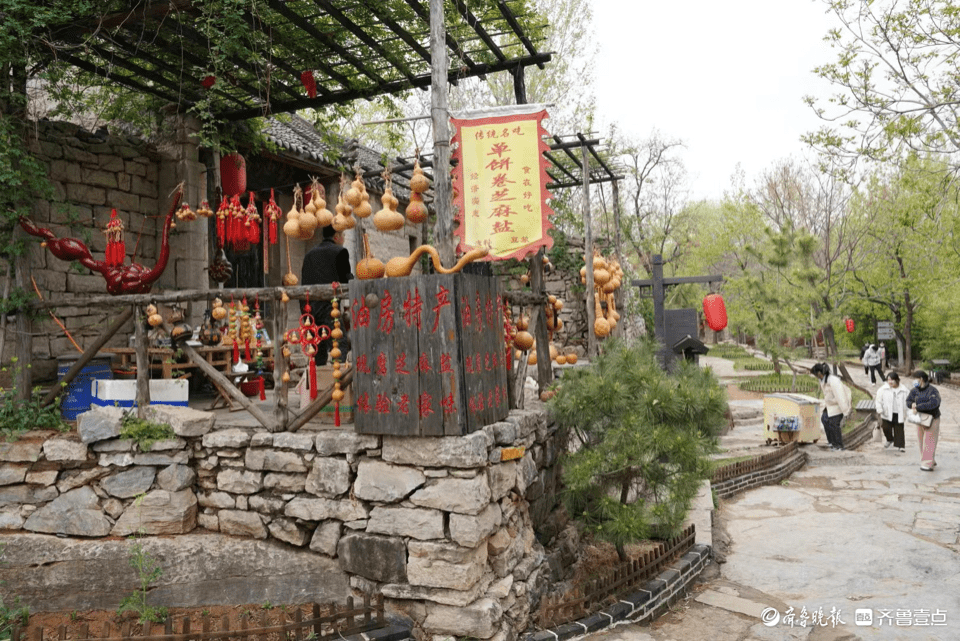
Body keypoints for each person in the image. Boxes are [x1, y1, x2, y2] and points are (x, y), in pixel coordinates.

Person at [301, 225, 353, 365]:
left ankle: (318, 379)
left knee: (317, 347)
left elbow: (303, 283)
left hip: (309, 308)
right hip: (330, 307)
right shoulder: (340, 251)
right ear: (336, 236)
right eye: (343, 235)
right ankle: (339, 380)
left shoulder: (309, 255)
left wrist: (304, 312)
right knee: (339, 343)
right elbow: (346, 280)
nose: (343, 239)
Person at [906, 370, 942, 471]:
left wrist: (918, 407)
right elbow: (908, 401)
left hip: (932, 418)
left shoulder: (933, 390)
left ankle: (927, 464)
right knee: (921, 441)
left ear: (921, 379)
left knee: (929, 440)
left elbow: (934, 403)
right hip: (920, 419)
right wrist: (911, 404)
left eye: (915, 378)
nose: (914, 381)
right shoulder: (914, 390)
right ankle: (930, 459)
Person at [812, 362, 852, 451]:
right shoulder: (823, 380)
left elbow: (840, 396)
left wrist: (845, 411)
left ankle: (839, 446)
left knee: (834, 424)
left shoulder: (833, 380)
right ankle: (832, 442)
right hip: (830, 405)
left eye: (815, 374)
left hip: (838, 405)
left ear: (819, 373)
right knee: (824, 419)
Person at [875, 372, 907, 452]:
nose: (890, 382)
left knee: (899, 428)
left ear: (897, 380)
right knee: (886, 427)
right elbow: (878, 400)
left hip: (899, 412)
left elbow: (908, 401)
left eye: (892, 380)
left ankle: (900, 445)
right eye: (889, 380)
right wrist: (879, 409)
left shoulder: (904, 389)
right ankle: (889, 439)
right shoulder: (883, 389)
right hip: (886, 412)